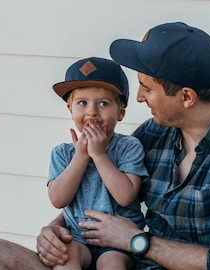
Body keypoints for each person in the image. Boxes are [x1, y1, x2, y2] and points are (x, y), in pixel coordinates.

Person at [0, 22, 210, 270]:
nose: (138, 98)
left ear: (187, 97)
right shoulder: (156, 133)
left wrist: (136, 242)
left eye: (147, 89)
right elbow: (100, 185)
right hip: (125, 261)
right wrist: (56, 230)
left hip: (131, 259)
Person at [48, 57, 148, 270]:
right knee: (65, 257)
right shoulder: (63, 153)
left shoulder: (129, 147)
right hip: (77, 237)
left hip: (118, 243)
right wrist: (82, 156)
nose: (92, 111)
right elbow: (58, 199)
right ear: (70, 109)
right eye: (82, 103)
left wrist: (100, 156)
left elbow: (126, 196)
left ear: (121, 112)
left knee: (111, 263)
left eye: (103, 103)